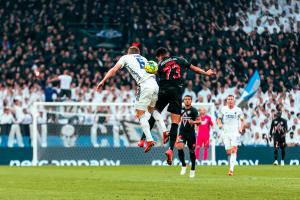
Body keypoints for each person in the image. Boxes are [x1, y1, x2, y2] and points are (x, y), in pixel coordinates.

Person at [139, 47, 215, 164]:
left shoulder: (159, 65)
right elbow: (193, 68)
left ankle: (144, 139)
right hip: (176, 92)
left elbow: (150, 75)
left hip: (163, 91)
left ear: (159, 57)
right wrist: (206, 73)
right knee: (175, 122)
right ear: (167, 54)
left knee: (154, 114)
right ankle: (170, 149)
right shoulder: (179, 59)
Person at [96, 46, 168, 152]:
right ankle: (165, 129)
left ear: (128, 53)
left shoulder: (126, 57)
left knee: (140, 114)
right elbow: (155, 71)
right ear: (138, 53)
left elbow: (114, 69)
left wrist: (103, 80)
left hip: (144, 86)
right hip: (154, 84)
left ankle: (149, 139)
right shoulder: (144, 58)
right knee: (152, 110)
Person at [217, 95, 244, 176]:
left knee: (233, 150)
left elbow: (242, 120)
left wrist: (241, 128)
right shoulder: (223, 109)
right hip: (226, 132)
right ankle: (231, 165)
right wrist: (220, 124)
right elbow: (218, 119)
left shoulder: (238, 110)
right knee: (228, 151)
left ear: (234, 100)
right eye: (228, 99)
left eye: (231, 99)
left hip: (235, 132)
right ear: (227, 100)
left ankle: (231, 170)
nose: (230, 100)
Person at [175, 95, 198, 178]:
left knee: (192, 151)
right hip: (182, 132)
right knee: (180, 147)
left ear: (191, 101)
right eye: (186, 99)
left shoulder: (194, 110)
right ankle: (184, 165)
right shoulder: (180, 109)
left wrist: (193, 122)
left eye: (189, 99)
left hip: (191, 133)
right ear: (183, 101)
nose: (187, 100)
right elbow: (177, 119)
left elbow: (199, 121)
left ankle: (193, 169)